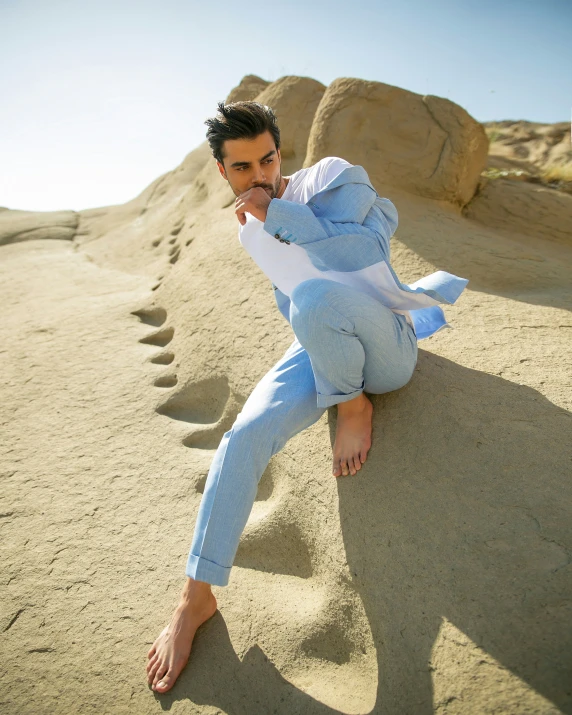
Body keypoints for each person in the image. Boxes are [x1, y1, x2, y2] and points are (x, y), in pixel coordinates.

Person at [146, 101, 468, 693]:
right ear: (223, 171)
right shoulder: (249, 227)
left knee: (318, 301)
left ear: (280, 150)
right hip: (322, 337)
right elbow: (293, 296)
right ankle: (195, 597)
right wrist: (316, 344)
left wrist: (281, 211)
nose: (260, 175)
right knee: (244, 436)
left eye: (268, 158)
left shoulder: (332, 178)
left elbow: (361, 252)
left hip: (388, 347)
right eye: (243, 168)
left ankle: (353, 405)